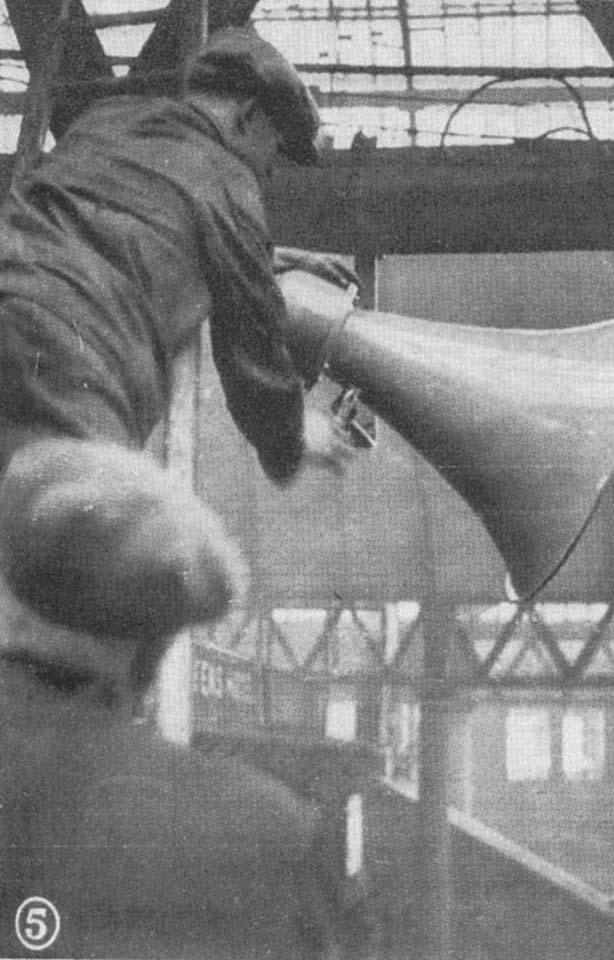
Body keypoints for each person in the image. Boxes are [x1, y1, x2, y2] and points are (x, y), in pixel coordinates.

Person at [0, 23, 374, 960]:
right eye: (272, 152)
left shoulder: (114, 125)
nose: (269, 173)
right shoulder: (229, 183)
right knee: (80, 552)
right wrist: (297, 436)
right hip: (76, 370)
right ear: (247, 118)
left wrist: (262, 258)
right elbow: (251, 347)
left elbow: (125, 221)